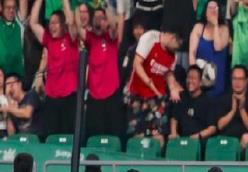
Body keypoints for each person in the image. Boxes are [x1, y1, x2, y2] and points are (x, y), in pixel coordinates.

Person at [126, 25, 183, 151]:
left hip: (157, 96)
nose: (176, 50)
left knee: (159, 132)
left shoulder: (173, 55)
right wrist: (149, 83)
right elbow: (137, 63)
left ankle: (156, 157)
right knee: (138, 133)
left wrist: (172, 87)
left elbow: (168, 73)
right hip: (138, 92)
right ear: (172, 37)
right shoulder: (150, 38)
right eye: (176, 46)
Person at [30, 0, 78, 136]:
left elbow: (71, 21)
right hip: (51, 97)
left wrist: (65, 2)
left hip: (69, 97)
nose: (52, 26)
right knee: (52, 136)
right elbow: (33, 23)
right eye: (50, 23)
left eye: (56, 23)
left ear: (63, 25)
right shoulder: (48, 39)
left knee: (68, 137)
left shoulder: (72, 39)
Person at [80, 5, 122, 138]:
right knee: (94, 136)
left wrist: (106, 5)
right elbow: (76, 27)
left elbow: (114, 25)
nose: (99, 20)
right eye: (96, 17)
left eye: (102, 18)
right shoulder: (90, 39)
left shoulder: (111, 37)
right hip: (94, 95)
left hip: (111, 94)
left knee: (113, 135)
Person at [189, 0, 229, 98]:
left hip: (217, 82)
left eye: (215, 8)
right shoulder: (198, 27)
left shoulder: (224, 29)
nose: (212, 11)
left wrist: (215, 25)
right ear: (205, 12)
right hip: (200, 81)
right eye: (210, 8)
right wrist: (194, 77)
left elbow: (217, 47)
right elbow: (192, 53)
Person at [169, 65, 217, 144]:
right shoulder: (180, 97)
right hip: (181, 141)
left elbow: (212, 128)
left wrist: (198, 136)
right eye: (189, 78)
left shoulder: (208, 101)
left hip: (198, 142)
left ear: (200, 82)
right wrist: (174, 133)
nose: (190, 81)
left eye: (194, 78)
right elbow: (174, 118)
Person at [216, 65, 248, 154]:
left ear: (246, 81)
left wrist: (242, 109)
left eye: (240, 79)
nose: (237, 82)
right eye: (234, 79)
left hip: (243, 143)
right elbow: (220, 125)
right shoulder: (222, 99)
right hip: (225, 140)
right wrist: (233, 111)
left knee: (247, 138)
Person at [0, 0, 28, 78]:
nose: (11, 10)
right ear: (2, 8)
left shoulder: (20, 23)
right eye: (8, 7)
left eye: (13, 7)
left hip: (17, 76)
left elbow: (23, 1)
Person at [4, 73, 43, 138]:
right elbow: (11, 133)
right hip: (21, 140)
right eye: (7, 85)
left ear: (19, 84)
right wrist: (8, 100)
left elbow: (27, 113)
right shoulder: (12, 106)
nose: (10, 88)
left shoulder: (31, 94)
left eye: (12, 84)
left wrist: (8, 109)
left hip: (36, 139)